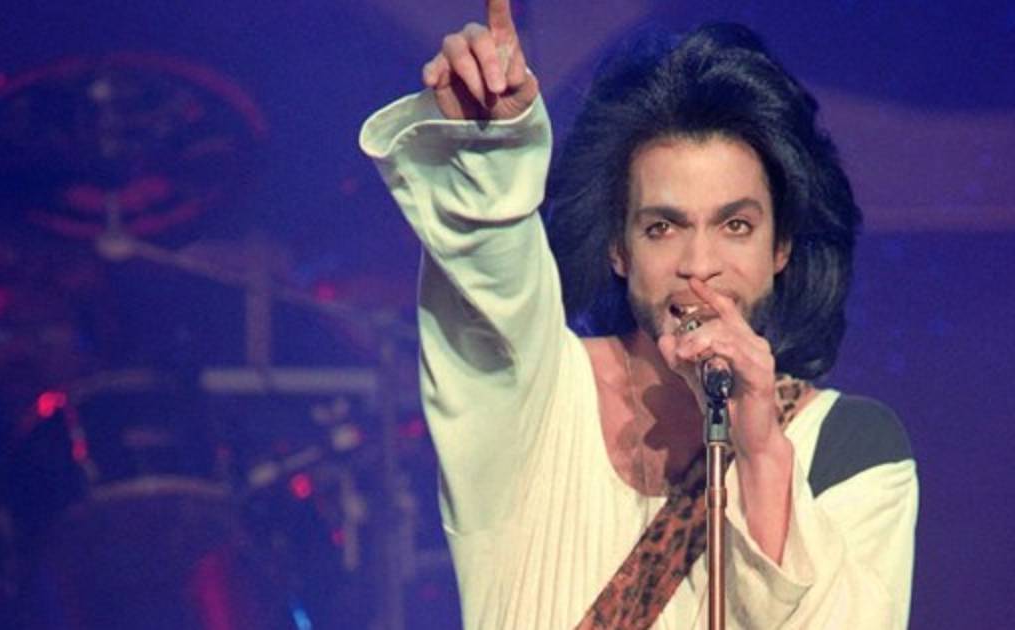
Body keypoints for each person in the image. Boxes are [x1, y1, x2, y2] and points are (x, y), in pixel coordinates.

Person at [360, 1, 918, 627]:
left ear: (780, 248)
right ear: (619, 249)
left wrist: (760, 450)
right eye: (662, 228)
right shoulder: (535, 397)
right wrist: (492, 147)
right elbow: (490, 275)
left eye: (735, 225)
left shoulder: (852, 449)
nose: (699, 265)